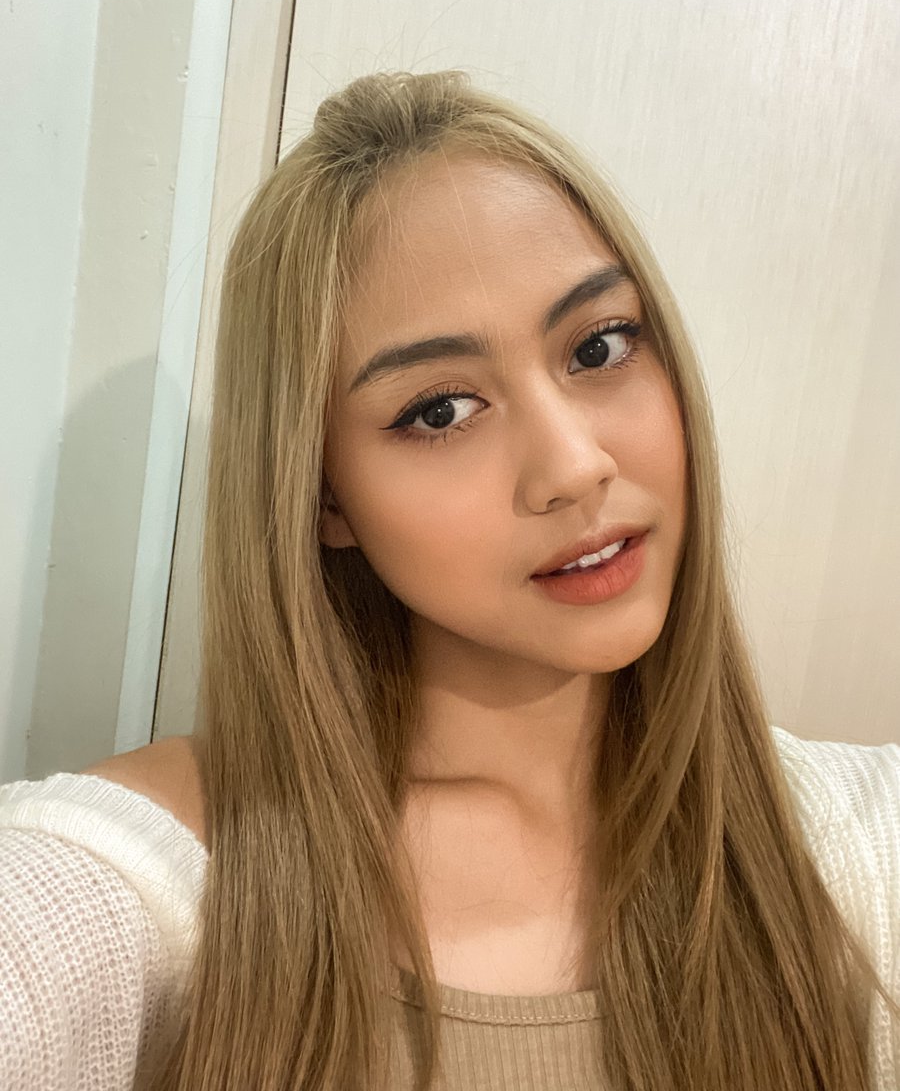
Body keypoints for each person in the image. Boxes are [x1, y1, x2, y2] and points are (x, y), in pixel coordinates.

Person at [1, 69, 898, 1091]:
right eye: (439, 412)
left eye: (599, 346)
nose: (574, 467)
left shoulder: (848, 853)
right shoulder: (163, 880)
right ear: (324, 497)